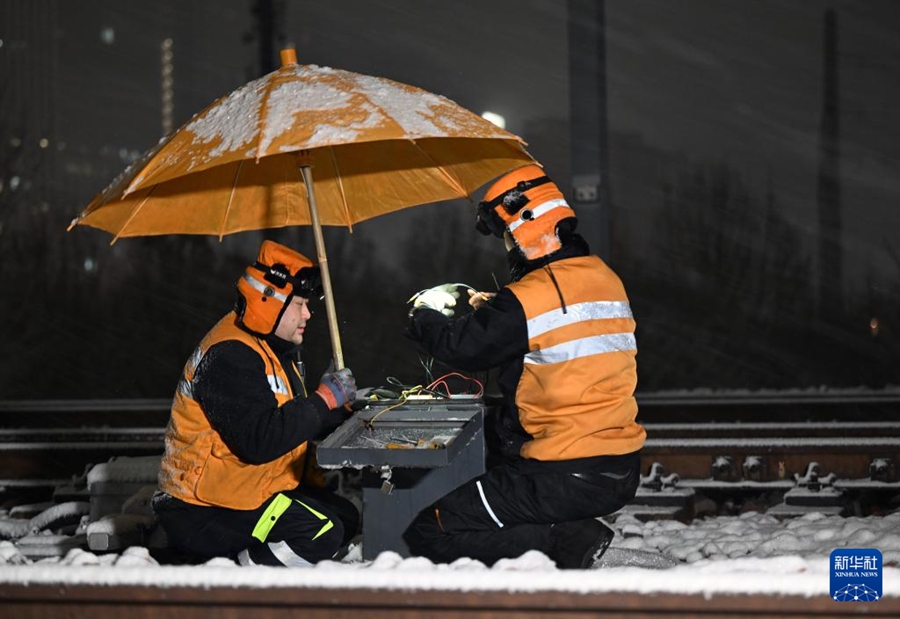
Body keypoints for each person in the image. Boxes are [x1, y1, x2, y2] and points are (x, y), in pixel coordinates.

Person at [403, 164, 646, 569]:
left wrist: (424, 311)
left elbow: (458, 346)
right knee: (498, 450)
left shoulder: (530, 297)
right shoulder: (605, 277)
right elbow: (560, 329)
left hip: (565, 471)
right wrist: (500, 308)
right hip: (618, 464)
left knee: (432, 531)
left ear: (524, 231)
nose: (507, 248)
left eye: (507, 238)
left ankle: (566, 542)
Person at [152, 240, 359, 567]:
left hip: (246, 492)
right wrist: (322, 401)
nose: (308, 313)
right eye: (300, 304)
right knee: (322, 533)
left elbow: (287, 419)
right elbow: (259, 441)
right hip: (204, 509)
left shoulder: (269, 348)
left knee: (347, 515)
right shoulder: (229, 355)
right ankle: (235, 579)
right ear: (270, 302)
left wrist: (336, 409)